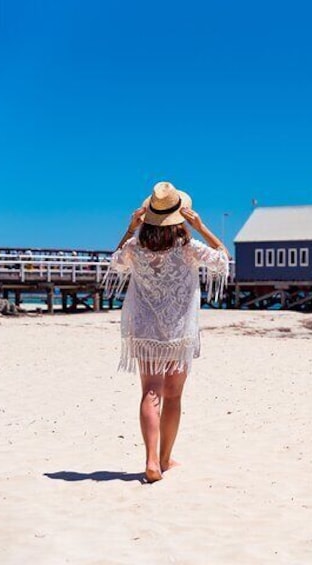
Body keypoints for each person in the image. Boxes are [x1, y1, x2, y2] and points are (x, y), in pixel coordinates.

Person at [105, 181, 229, 483]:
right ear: (180, 216)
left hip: (146, 331)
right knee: (173, 397)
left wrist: (129, 228)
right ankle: (163, 459)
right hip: (179, 333)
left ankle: (151, 461)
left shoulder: (135, 247)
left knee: (150, 393)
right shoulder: (188, 248)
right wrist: (201, 227)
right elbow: (222, 258)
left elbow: (115, 263)